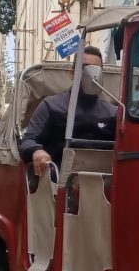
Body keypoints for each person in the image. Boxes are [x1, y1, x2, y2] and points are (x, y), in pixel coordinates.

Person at [19, 46, 117, 176]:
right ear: (72, 73)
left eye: (96, 70)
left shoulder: (114, 112)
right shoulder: (51, 106)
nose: (91, 74)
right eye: (84, 68)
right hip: (58, 186)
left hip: (105, 187)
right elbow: (28, 140)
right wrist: (37, 151)